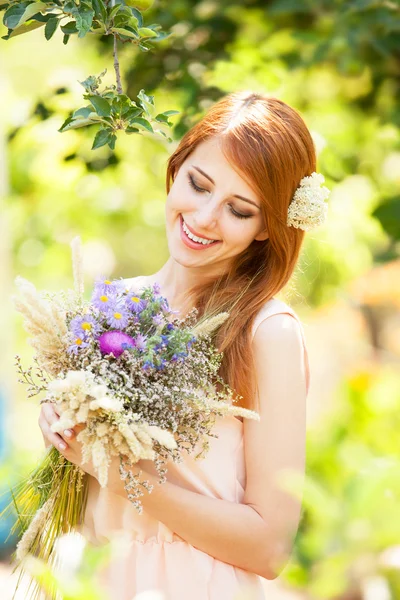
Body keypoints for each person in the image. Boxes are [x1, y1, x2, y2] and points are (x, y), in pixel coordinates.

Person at [38, 91, 330, 600]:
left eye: (239, 210)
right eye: (199, 184)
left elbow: (269, 548)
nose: (204, 217)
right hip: (96, 580)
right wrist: (61, 426)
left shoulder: (268, 332)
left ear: (267, 228)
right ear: (178, 168)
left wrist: (116, 471)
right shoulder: (114, 303)